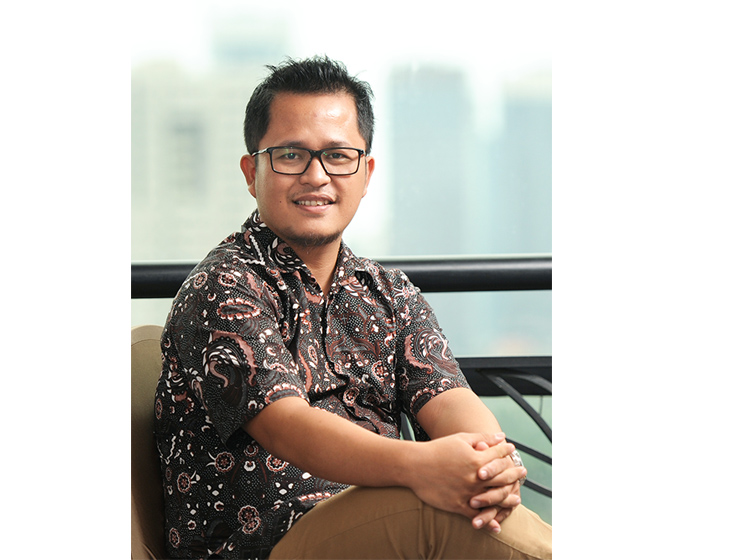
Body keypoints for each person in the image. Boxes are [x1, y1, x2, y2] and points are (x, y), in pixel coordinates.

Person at [154, 55, 552, 559]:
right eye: (291, 155)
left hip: (377, 528)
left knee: (478, 507)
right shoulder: (223, 286)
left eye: (338, 156)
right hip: (266, 547)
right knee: (443, 515)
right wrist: (423, 467)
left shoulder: (387, 291)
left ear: (365, 173)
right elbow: (286, 424)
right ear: (251, 171)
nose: (316, 176)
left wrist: (488, 465)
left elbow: (449, 397)